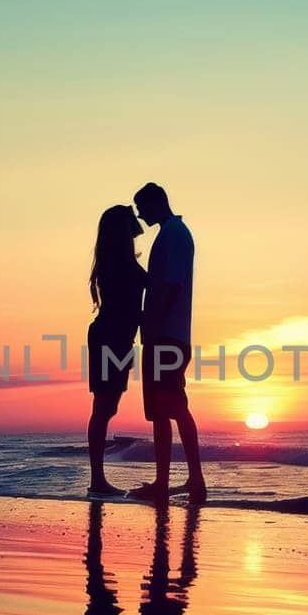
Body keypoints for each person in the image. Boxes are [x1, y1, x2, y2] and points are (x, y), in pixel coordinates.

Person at [128, 183, 207, 504]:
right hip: (165, 334)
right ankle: (165, 480)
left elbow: (171, 285)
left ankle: (194, 479)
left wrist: (152, 321)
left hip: (167, 335)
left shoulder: (174, 234)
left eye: (141, 208)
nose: (140, 215)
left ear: (155, 203)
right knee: (161, 411)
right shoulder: (171, 233)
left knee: (175, 406)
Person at [86, 204, 146, 495]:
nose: (136, 225)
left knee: (107, 407)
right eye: (130, 222)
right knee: (103, 407)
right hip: (110, 337)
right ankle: (97, 479)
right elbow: (128, 307)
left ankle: (97, 478)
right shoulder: (118, 264)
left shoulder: (118, 260)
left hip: (116, 337)